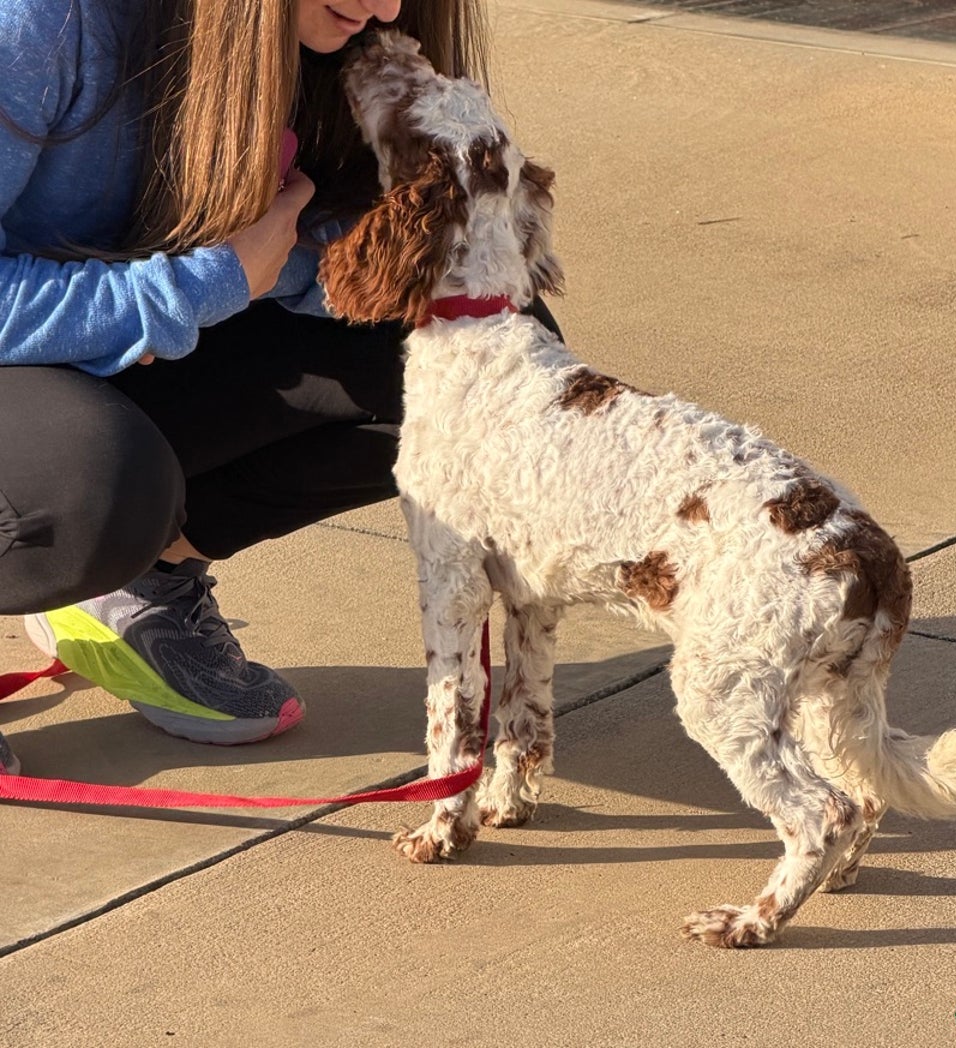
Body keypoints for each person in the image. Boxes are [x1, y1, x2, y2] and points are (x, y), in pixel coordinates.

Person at [0, 0, 557, 774]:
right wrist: (200, 288)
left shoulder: (317, 36)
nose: (386, 7)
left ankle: (134, 581)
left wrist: (320, 264)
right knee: (88, 487)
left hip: (106, 347)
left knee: (483, 368)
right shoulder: (43, 22)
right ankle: (91, 522)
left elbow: (301, 250)